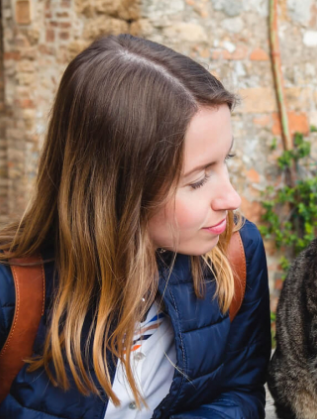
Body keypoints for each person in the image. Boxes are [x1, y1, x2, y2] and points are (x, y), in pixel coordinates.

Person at [0, 34, 271, 419]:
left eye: (225, 161)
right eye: (197, 180)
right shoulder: (15, 291)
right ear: (122, 188)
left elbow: (240, 392)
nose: (232, 198)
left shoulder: (237, 254)